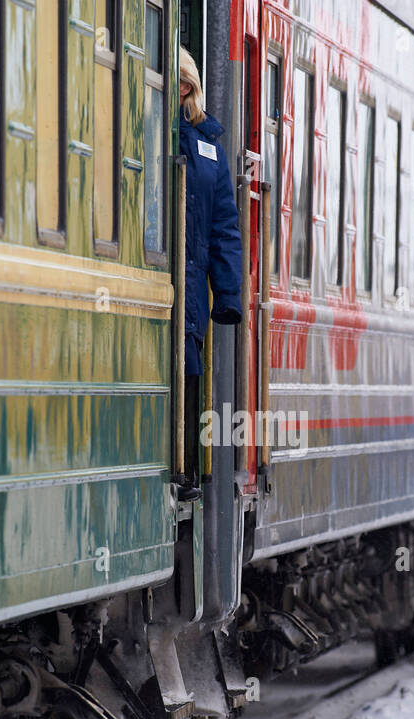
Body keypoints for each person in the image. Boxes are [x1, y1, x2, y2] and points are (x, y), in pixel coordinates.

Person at [173, 47, 242, 500]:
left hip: (193, 288)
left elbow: (224, 225)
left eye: (184, 83)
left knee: (190, 367)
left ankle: (187, 472)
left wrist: (230, 293)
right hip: (169, 279)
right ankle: (180, 469)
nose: (179, 90)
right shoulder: (154, 126)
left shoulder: (208, 144)